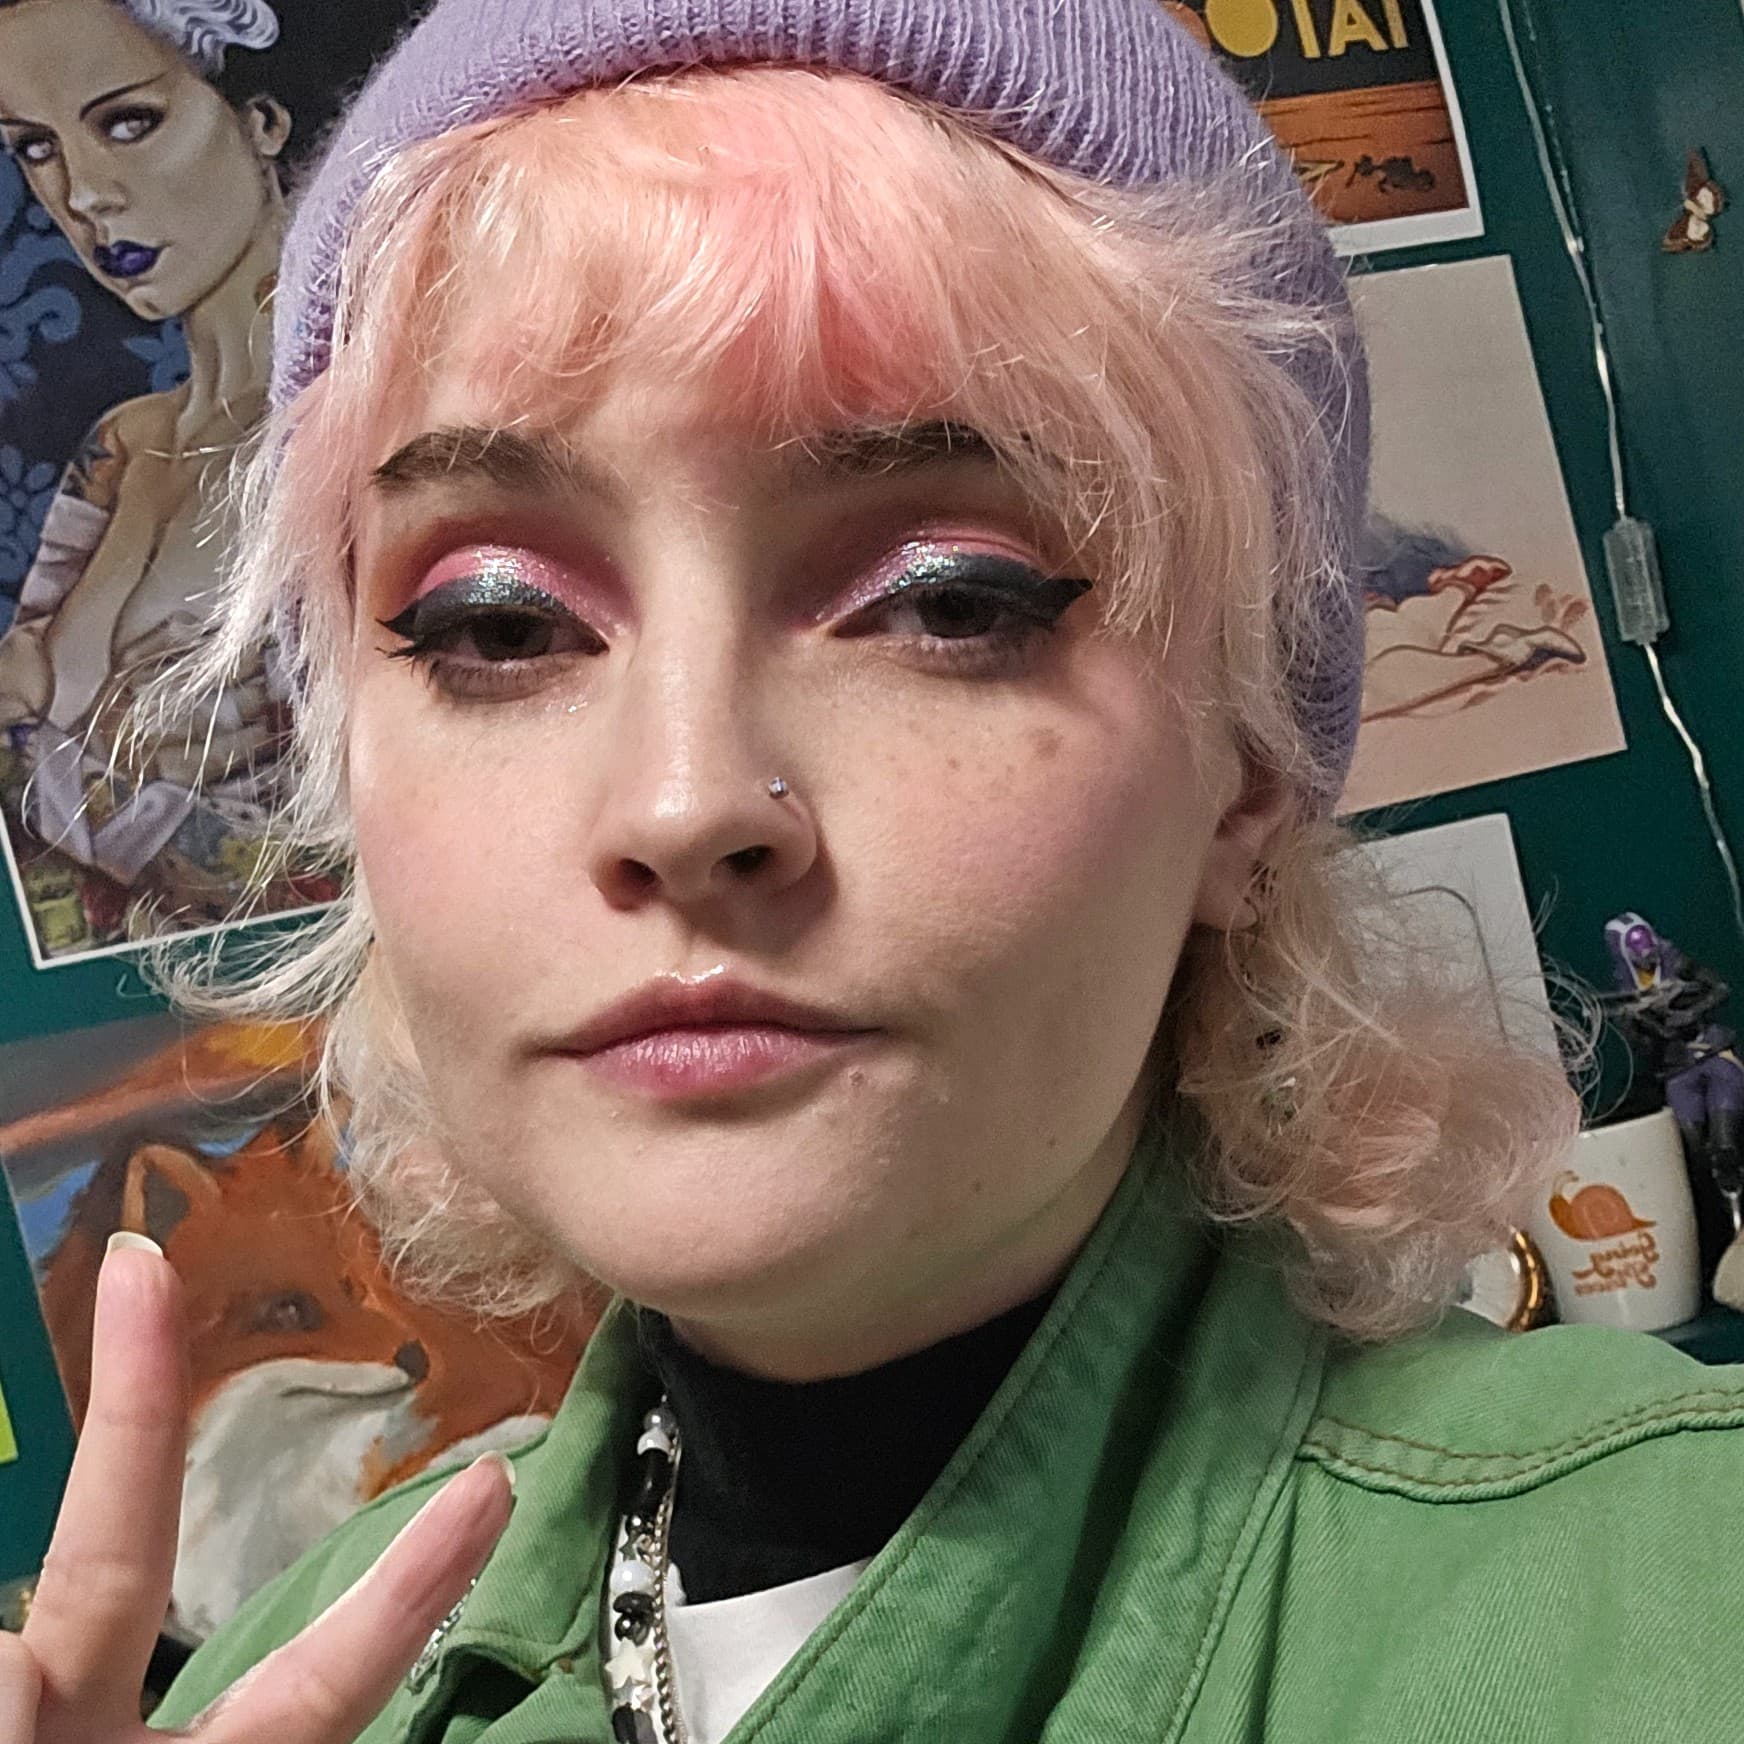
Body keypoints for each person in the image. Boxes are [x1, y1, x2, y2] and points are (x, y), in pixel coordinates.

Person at [7, 2, 1744, 1741]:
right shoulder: (283, 1686)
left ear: (1243, 772)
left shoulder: (1670, 1609)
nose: (686, 800)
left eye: (944, 599)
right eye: (498, 625)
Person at [0, 0, 309, 950]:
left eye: (128, 122)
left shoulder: (362, 435)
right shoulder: (122, 445)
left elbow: (312, 876)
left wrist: (32, 751)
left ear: (261, 119)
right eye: (36, 148)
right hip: (102, 1016)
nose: (83, 195)